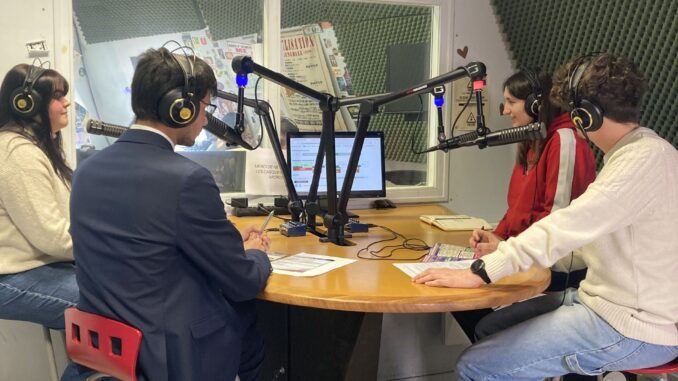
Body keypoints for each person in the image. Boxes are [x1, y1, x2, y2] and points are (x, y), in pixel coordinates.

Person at [414, 53, 678, 380]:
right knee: (490, 328)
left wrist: (481, 271)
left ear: (586, 115)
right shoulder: (634, 154)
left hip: (633, 326)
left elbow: (567, 223)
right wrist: (505, 250)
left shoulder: (643, 160)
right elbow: (593, 239)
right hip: (598, 302)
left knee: (476, 364)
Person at [69, 46, 272, 381]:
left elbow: (147, 242)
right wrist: (258, 255)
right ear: (181, 107)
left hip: (107, 351)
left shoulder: (87, 170)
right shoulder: (187, 179)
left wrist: (232, 238)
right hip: (169, 357)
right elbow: (242, 281)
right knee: (248, 314)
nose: (206, 119)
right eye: (205, 106)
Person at [453, 68, 597, 344]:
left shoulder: (564, 141)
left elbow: (556, 220)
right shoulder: (532, 142)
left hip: (556, 268)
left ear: (535, 105)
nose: (505, 110)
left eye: (510, 102)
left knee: (480, 317)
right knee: (459, 300)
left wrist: (504, 248)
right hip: (526, 254)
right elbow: (517, 206)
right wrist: (495, 234)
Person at [0, 64, 79, 329]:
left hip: (38, 267)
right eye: (57, 97)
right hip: (10, 277)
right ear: (27, 104)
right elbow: (52, 237)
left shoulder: (35, 146)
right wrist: (105, 248)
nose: (66, 103)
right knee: (111, 306)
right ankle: (92, 374)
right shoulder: (17, 151)